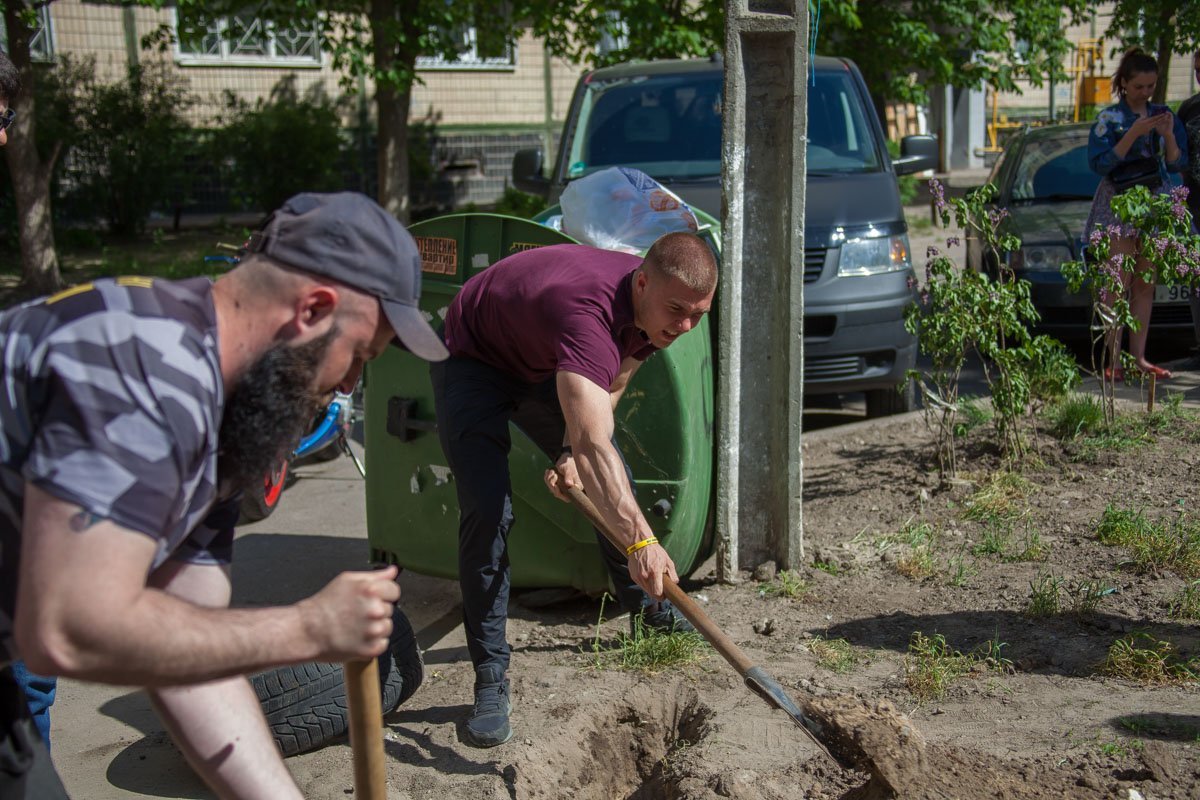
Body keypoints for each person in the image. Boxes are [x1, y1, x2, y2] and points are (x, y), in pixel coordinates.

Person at [0, 190, 449, 799]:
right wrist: (307, 630)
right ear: (313, 310)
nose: (348, 383)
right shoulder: (142, 364)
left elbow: (192, 657)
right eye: (358, 356)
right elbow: (70, 628)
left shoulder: (226, 418)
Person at [430, 232, 717, 748]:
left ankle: (649, 614)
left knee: (610, 477)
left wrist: (567, 453)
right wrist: (643, 540)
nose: (686, 325)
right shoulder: (590, 318)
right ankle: (490, 678)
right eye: (678, 311)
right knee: (489, 512)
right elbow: (593, 441)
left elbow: (612, 384)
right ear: (643, 282)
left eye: (699, 314)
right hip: (473, 358)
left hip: (540, 354)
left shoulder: (657, 311)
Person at [1084, 48, 1188, 381]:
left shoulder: (1163, 114)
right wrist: (1133, 133)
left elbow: (1176, 163)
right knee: (1117, 281)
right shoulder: (1108, 120)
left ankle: (1139, 358)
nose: (1146, 93)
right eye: (1139, 86)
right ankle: (1112, 359)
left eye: (1151, 86)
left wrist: (1168, 134)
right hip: (1119, 201)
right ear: (1124, 83)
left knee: (1145, 282)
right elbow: (1099, 164)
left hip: (1153, 201)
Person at [1176, 50, 1200, 357]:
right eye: (1197, 70)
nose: (1199, 76)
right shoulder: (1189, 108)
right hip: (1197, 204)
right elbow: (1178, 157)